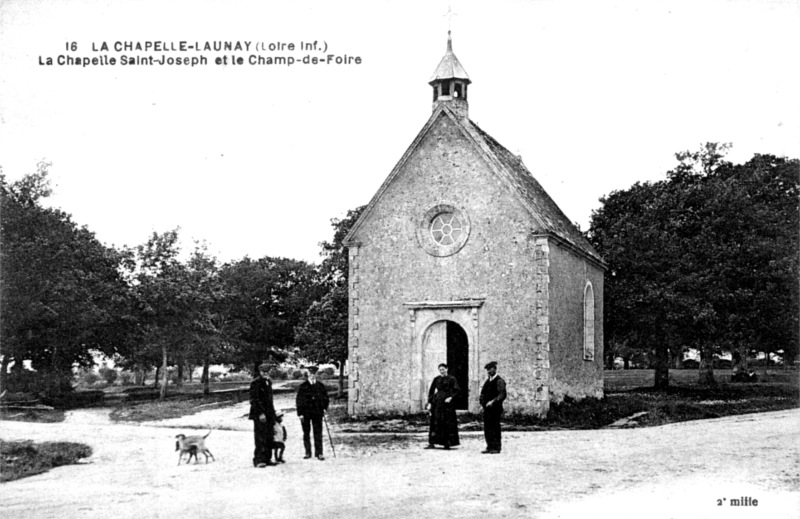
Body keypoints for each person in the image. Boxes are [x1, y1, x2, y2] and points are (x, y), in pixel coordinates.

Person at [295, 365, 330, 461]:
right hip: (306, 413)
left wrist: (324, 408)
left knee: (318, 432)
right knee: (306, 433)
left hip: (317, 412)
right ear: (307, 374)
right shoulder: (303, 387)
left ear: (316, 374)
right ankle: (307, 452)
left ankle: (319, 453)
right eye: (310, 373)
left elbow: (326, 398)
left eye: (314, 373)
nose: (312, 375)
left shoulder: (320, 386)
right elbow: (299, 401)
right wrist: (300, 413)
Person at [425, 363, 460, 450]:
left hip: (447, 404)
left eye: (443, 369)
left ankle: (447, 443)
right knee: (435, 422)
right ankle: (432, 442)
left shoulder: (452, 379)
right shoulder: (436, 379)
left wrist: (451, 397)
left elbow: (456, 390)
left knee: (447, 422)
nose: (442, 371)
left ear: (447, 369)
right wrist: (430, 402)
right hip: (437, 402)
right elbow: (431, 391)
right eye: (440, 370)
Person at [249, 363, 277, 467]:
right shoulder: (255, 383)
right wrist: (260, 413)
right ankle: (259, 460)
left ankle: (267, 458)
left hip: (269, 413)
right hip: (259, 414)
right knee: (260, 437)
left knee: (269, 436)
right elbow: (254, 400)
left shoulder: (269, 382)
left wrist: (273, 414)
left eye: (267, 372)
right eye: (263, 372)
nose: (265, 374)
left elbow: (270, 400)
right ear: (260, 372)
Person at [479, 361, 507, 454]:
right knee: (487, 428)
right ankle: (489, 446)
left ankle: (496, 447)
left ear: (495, 369)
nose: (489, 371)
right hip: (487, 409)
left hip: (495, 409)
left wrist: (493, 402)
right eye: (487, 370)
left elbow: (502, 394)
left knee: (495, 428)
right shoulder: (488, 381)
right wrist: (482, 404)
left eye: (491, 369)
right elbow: (482, 394)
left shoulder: (499, 381)